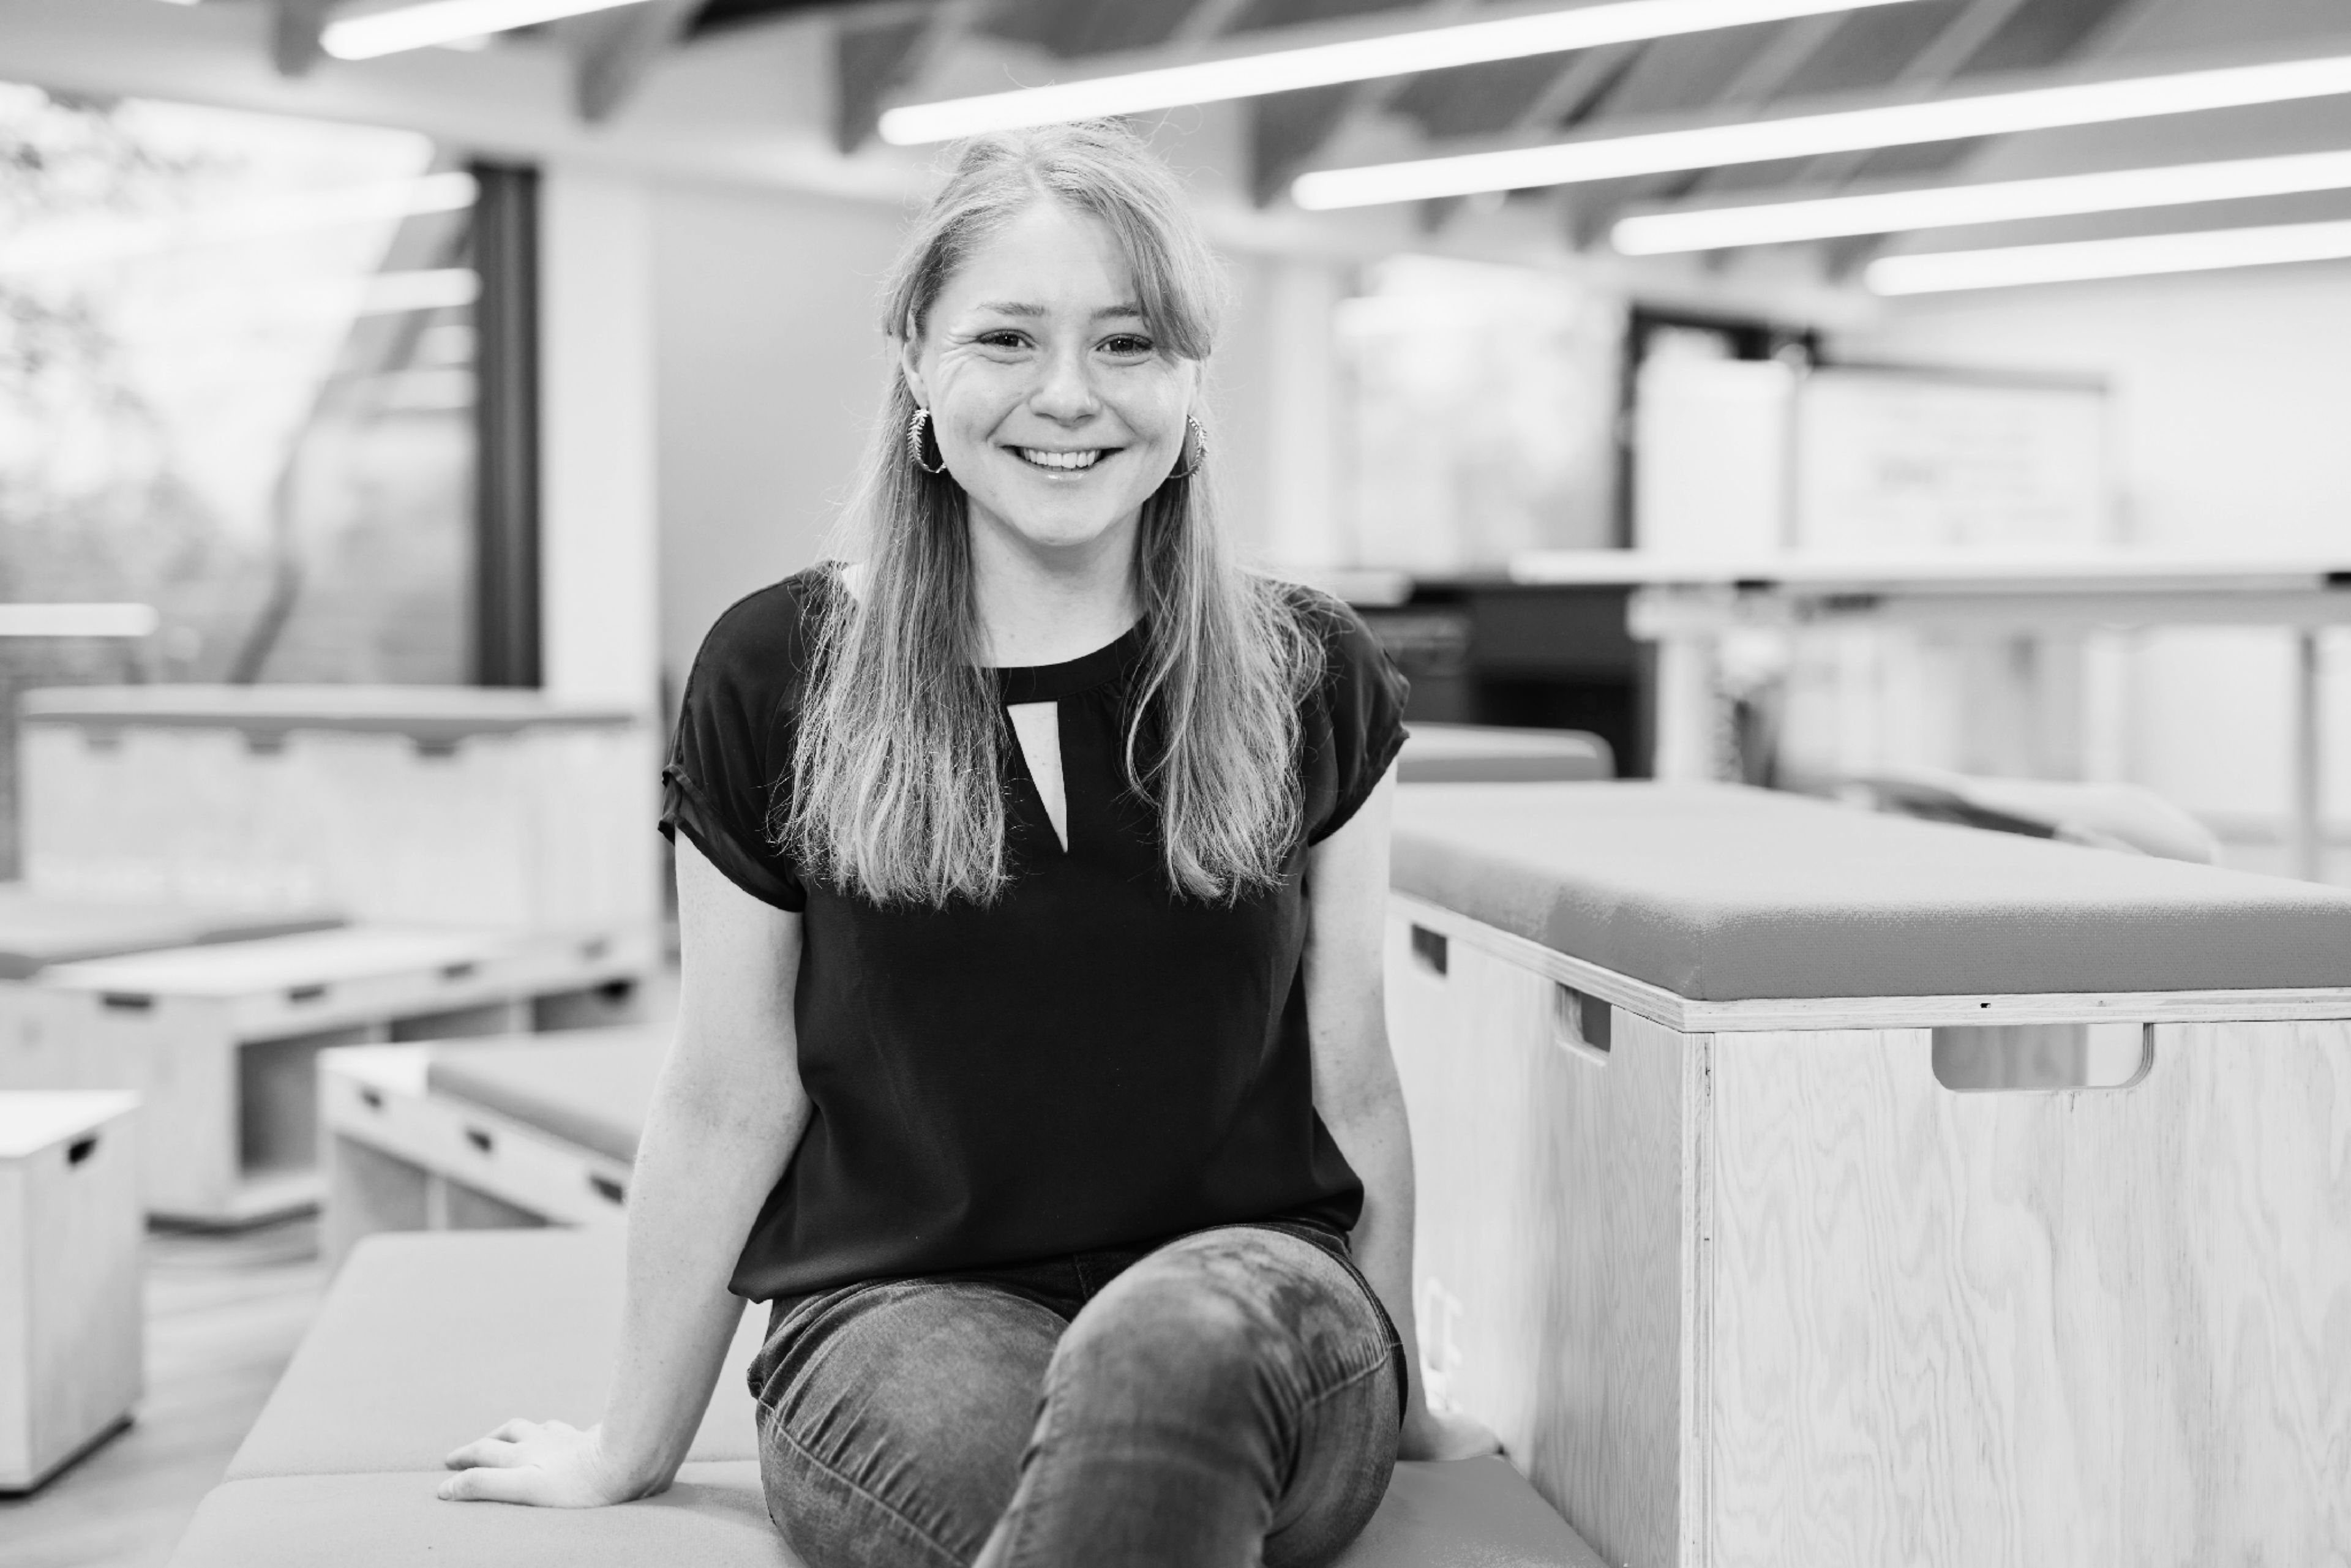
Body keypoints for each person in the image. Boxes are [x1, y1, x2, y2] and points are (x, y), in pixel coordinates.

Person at [437, 118, 1498, 1567]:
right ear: (918, 368)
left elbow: (1354, 1073)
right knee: (1020, 1465)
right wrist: (630, 1444)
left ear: (1190, 380)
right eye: (1008, 338)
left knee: (1169, 1351)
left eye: (1127, 343)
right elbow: (728, 1096)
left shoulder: (1308, 670)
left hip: (1257, 1298)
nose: (1069, 394)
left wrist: (1411, 1410)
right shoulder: (779, 670)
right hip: (904, 1314)